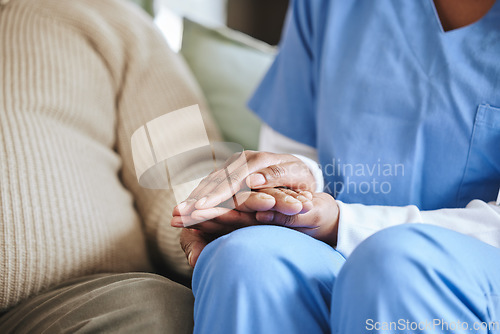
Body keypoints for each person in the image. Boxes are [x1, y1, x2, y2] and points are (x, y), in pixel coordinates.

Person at [173, 0, 500, 333]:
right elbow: (295, 152)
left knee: (393, 268)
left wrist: (342, 222)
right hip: (333, 245)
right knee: (244, 260)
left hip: (477, 265)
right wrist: (281, 195)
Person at [0, 0, 219, 332]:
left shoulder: (109, 18)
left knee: (156, 309)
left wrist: (211, 214)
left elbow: (181, 163)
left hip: (69, 306)